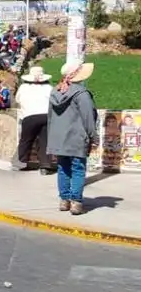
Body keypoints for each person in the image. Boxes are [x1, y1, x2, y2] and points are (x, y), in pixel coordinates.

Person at [46, 61, 98, 215]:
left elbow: (50, 117)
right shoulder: (81, 94)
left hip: (59, 138)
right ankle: (76, 202)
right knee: (78, 169)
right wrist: (93, 137)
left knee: (63, 168)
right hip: (76, 137)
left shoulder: (55, 92)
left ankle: (64, 200)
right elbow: (88, 118)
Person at [15, 66, 54, 174]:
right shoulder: (49, 88)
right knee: (44, 141)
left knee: (26, 140)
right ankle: (45, 165)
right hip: (45, 116)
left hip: (29, 116)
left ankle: (22, 162)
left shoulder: (23, 87)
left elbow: (17, 99)